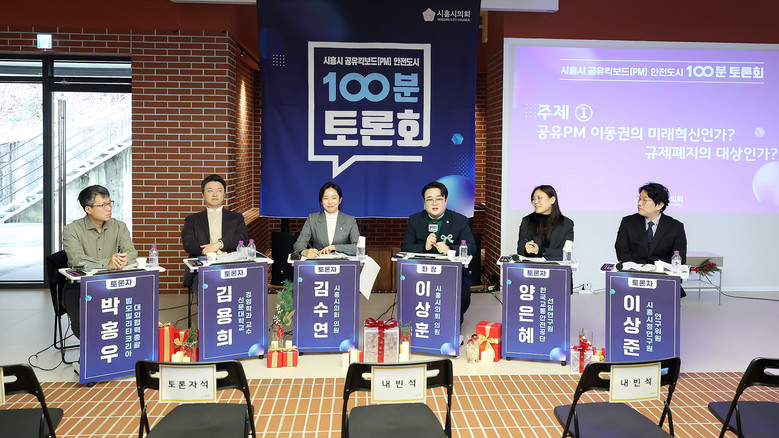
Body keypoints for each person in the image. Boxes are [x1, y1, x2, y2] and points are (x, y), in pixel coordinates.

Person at [62, 185, 137, 339]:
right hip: (81, 285)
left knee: (133, 316)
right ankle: (94, 348)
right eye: (103, 205)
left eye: (110, 203)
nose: (109, 208)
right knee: (83, 328)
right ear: (88, 209)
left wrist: (122, 260)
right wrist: (107, 263)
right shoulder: (72, 229)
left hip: (113, 283)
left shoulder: (119, 226)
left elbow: (131, 252)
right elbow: (77, 259)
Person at [401, 181, 476, 323]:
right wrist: (425, 247)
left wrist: (450, 249)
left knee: (463, 293)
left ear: (445, 200)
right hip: (423, 271)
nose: (434, 203)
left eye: (438, 199)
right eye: (429, 199)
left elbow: (472, 247)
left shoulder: (459, 220)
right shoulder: (415, 220)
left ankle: (454, 319)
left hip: (451, 271)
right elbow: (405, 246)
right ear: (424, 202)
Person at [615, 182, 687, 297]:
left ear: (659, 205)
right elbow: (622, 250)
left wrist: (656, 271)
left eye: (645, 200)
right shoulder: (628, 222)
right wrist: (638, 271)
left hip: (663, 281)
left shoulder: (675, 227)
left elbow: (679, 258)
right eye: (639, 199)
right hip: (633, 280)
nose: (639, 203)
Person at [181, 175, 248, 287]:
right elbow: (188, 244)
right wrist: (209, 251)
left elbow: (242, 238)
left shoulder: (236, 217)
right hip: (204, 268)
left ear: (224, 194)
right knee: (203, 286)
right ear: (203, 194)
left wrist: (220, 244)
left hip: (231, 266)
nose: (215, 194)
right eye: (210, 191)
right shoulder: (192, 220)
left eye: (219, 190)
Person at [293, 182, 360, 258]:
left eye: (334, 198)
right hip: (317, 262)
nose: (330, 202)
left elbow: (357, 247)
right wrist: (305, 252)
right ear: (321, 201)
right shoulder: (312, 218)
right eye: (326, 198)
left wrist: (334, 247)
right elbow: (298, 244)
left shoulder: (350, 220)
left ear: (340, 200)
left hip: (341, 262)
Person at [516, 185, 574, 259]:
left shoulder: (567, 224)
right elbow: (520, 249)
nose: (535, 202)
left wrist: (541, 251)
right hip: (532, 265)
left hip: (556, 265)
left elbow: (565, 252)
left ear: (552, 200)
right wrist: (527, 250)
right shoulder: (526, 221)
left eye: (539, 198)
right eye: (533, 199)